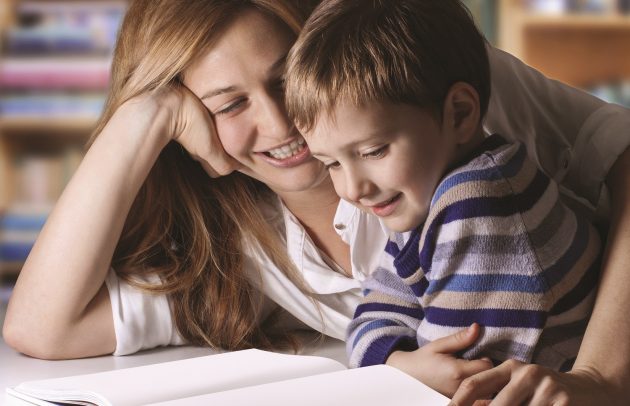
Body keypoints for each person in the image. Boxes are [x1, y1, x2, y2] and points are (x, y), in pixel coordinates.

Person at [2, 0, 630, 403]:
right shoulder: (237, 247)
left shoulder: (417, 84)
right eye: (229, 104)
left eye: (284, 80)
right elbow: (40, 328)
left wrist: (603, 376)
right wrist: (145, 114)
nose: (281, 125)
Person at [285, 0, 602, 397]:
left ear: (460, 113)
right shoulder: (422, 193)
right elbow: (375, 312)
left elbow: (461, 381)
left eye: (373, 152)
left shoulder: (481, 201)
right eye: (330, 163)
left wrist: (396, 368)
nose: (352, 189)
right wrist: (399, 362)